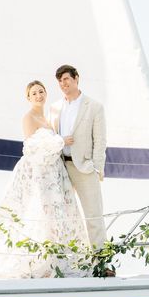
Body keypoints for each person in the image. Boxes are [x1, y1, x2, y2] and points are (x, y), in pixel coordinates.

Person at [1, 80, 86, 277]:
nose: (38, 95)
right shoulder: (29, 117)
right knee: (43, 214)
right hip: (40, 174)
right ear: (28, 98)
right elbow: (32, 147)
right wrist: (60, 140)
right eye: (34, 93)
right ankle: (42, 262)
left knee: (56, 215)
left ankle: (55, 260)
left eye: (41, 91)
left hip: (54, 174)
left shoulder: (49, 119)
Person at [50, 65, 108, 250]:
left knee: (93, 215)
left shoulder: (94, 107)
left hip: (84, 168)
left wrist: (97, 167)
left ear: (76, 78)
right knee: (64, 215)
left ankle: (102, 262)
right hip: (61, 167)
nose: (63, 83)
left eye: (66, 79)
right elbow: (50, 135)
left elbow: (100, 140)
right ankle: (72, 260)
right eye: (59, 80)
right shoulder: (55, 108)